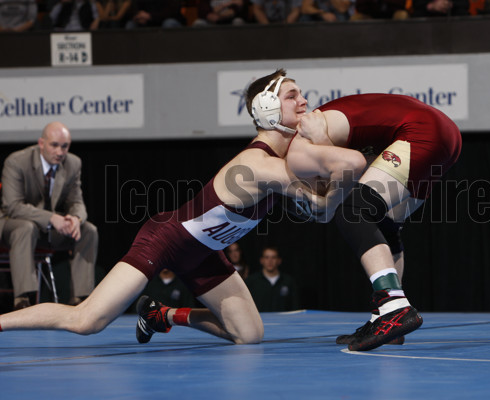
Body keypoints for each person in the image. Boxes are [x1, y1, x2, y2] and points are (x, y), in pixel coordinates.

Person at [0, 70, 364, 347]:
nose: (304, 101)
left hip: (204, 253)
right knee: (86, 321)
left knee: (248, 334)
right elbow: (322, 208)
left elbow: (324, 193)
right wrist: (345, 160)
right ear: (268, 109)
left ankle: (162, 314)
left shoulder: (286, 160)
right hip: (166, 240)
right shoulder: (260, 165)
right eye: (292, 95)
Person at [286, 92, 462, 351]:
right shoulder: (323, 123)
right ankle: (385, 320)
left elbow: (349, 167)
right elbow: (364, 163)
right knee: (385, 226)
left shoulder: (308, 132)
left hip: (422, 131)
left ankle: (393, 305)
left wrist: (325, 205)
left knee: (352, 210)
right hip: (443, 133)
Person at [0, 122, 98, 310]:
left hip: (45, 231)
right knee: (25, 227)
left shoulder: (73, 163)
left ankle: (81, 299)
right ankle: (23, 300)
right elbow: (12, 206)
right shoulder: (17, 161)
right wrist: (52, 218)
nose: (60, 152)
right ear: (41, 143)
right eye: (54, 145)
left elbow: (77, 202)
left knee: (88, 230)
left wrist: (75, 219)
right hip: (9, 225)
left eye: (65, 146)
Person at [245, 245, 299, 312]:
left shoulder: (288, 281)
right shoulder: (251, 281)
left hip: (283, 321)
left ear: (279, 260)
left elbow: (295, 308)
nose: (270, 261)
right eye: (267, 257)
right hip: (259, 321)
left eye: (273, 257)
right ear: (261, 260)